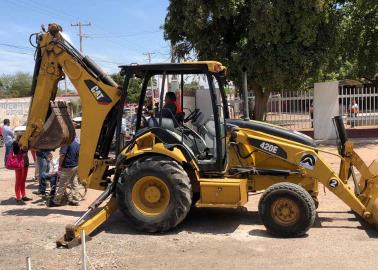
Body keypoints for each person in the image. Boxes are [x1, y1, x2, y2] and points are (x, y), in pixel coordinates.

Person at [49, 137, 81, 207]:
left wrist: (59, 166)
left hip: (67, 166)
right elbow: (78, 154)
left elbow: (62, 155)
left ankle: (56, 201)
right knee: (74, 183)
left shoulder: (66, 143)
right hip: (74, 165)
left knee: (62, 184)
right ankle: (75, 200)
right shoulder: (77, 142)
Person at [12, 136, 31, 204]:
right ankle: (18, 198)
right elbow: (16, 152)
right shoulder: (15, 143)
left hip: (25, 164)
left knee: (23, 181)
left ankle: (23, 196)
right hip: (19, 165)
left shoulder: (26, 143)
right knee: (18, 181)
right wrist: (20, 145)